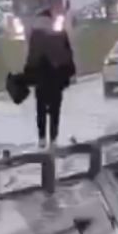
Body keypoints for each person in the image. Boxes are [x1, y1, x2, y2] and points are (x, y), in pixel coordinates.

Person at [23, 8, 77, 148]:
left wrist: (29, 76)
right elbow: (67, 54)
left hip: (41, 78)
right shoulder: (59, 34)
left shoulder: (36, 35)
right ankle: (53, 138)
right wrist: (69, 73)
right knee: (55, 109)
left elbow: (31, 57)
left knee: (40, 108)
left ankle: (42, 138)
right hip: (56, 78)